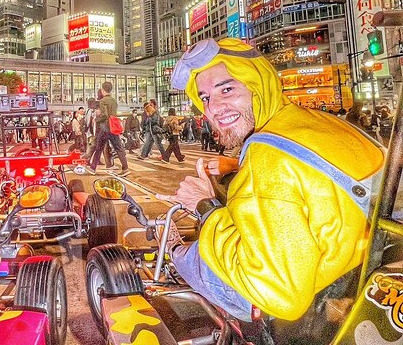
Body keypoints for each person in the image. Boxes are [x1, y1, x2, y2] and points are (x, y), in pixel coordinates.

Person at [156, 38, 384, 324]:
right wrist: (238, 165)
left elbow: (280, 295)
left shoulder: (268, 156)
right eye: (205, 98)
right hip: (359, 270)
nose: (214, 107)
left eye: (227, 89)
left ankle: (174, 254)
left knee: (194, 258)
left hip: (307, 305)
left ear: (258, 84)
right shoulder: (316, 121)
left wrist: (205, 206)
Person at [87, 81, 130, 177]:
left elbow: (104, 115)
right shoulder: (114, 101)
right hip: (113, 126)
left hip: (105, 127)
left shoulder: (103, 101)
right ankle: (125, 168)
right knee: (119, 147)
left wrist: (97, 118)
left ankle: (93, 167)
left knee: (99, 147)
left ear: (103, 90)